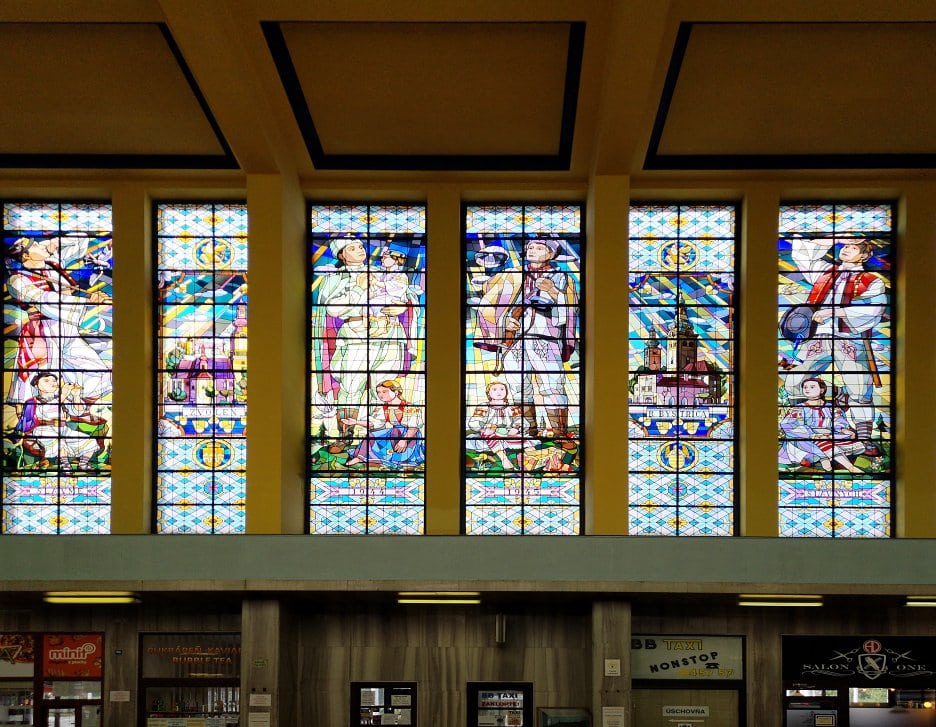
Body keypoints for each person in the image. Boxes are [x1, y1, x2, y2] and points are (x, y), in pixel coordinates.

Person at [783, 237, 886, 456]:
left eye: (853, 248)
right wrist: (834, 238)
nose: (846, 250)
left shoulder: (871, 281)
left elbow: (874, 310)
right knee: (794, 383)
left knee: (860, 390)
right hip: (818, 338)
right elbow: (803, 255)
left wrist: (834, 312)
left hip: (849, 338)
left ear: (864, 255)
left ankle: (864, 439)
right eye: (845, 246)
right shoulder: (825, 272)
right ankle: (830, 402)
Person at [474, 238, 578, 438]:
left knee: (553, 385)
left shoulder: (561, 277)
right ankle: (529, 432)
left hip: (545, 337)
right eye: (530, 247)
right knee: (518, 386)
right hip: (513, 339)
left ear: (552, 254)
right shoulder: (510, 276)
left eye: (539, 248)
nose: (532, 250)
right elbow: (490, 303)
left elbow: (570, 310)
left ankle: (559, 434)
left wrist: (552, 291)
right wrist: (504, 322)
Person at [313, 238, 410, 441]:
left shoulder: (380, 272)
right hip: (356, 336)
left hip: (389, 335)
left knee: (383, 387)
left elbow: (403, 294)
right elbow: (333, 309)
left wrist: (402, 307)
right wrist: (358, 289)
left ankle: (379, 439)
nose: (359, 250)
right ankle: (345, 437)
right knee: (351, 386)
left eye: (360, 246)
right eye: (352, 248)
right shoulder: (335, 279)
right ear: (341, 255)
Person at [5, 235, 112, 407]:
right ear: (25, 255)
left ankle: (78, 408)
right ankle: (39, 416)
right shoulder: (17, 280)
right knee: (46, 378)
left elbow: (80, 240)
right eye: (35, 245)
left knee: (98, 371)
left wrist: (54, 242)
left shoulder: (52, 263)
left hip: (67, 328)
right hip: (44, 332)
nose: (40, 245)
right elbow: (44, 299)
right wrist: (87, 301)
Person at [12, 372, 103, 472]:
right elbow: (43, 411)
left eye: (54, 380)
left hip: (63, 429)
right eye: (46, 380)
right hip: (43, 430)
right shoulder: (32, 402)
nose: (51, 383)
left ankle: (83, 464)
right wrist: (63, 395)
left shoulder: (60, 398)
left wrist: (76, 396)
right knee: (60, 442)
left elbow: (78, 412)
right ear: (36, 385)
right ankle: (66, 465)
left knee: (89, 441)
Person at [779, 377, 864, 473]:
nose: (807, 389)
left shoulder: (831, 407)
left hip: (829, 435)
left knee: (836, 441)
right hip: (805, 439)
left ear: (822, 390)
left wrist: (843, 429)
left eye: (812, 387)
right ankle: (849, 467)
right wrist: (812, 435)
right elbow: (789, 425)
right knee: (824, 443)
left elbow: (838, 420)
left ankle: (822, 458)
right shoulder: (798, 408)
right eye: (805, 387)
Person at [342, 380, 425, 468]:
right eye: (378, 392)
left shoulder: (409, 407)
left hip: (410, 435)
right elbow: (375, 422)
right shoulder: (383, 408)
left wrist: (404, 440)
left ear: (396, 392)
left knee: (398, 454)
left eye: (384, 392)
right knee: (371, 436)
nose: (380, 395)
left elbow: (414, 427)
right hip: (394, 432)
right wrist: (356, 422)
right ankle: (360, 458)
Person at [467, 381, 523, 470]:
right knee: (488, 435)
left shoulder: (512, 407)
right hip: (489, 435)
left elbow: (521, 422)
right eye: (494, 389)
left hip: (508, 434)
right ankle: (504, 459)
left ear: (506, 392)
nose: (499, 392)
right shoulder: (483, 407)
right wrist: (484, 427)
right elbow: (473, 422)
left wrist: (516, 429)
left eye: (502, 389)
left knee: (523, 440)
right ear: (488, 393)